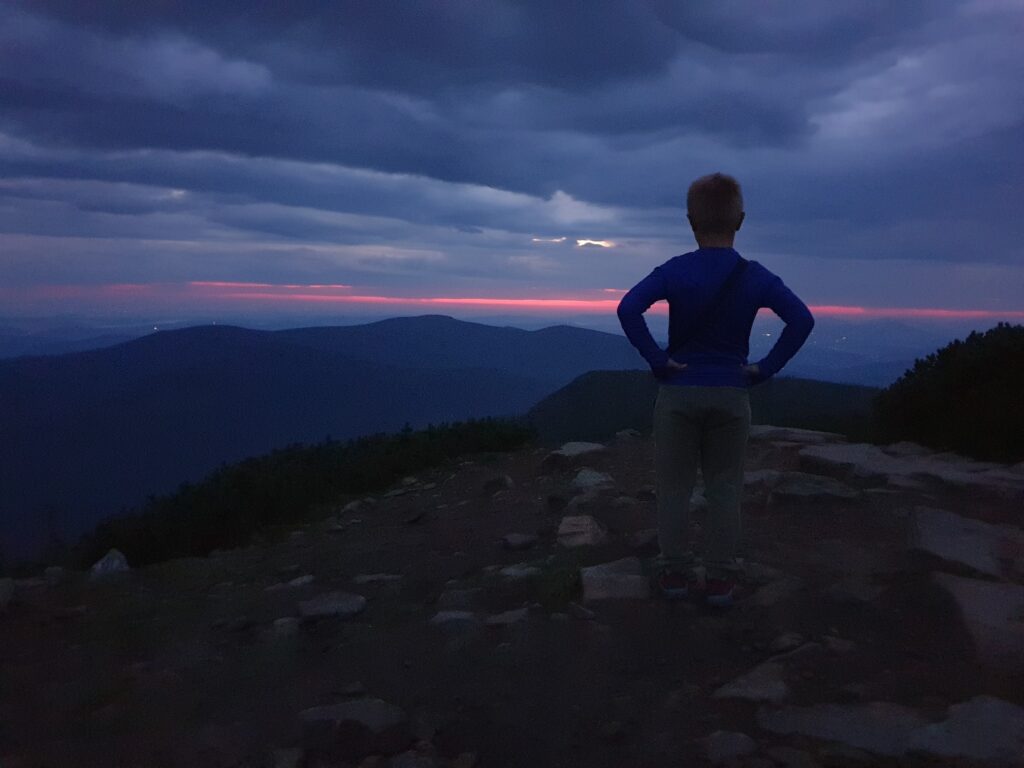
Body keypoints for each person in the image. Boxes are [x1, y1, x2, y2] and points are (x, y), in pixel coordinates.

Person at [617, 173, 814, 606]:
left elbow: (628, 308)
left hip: (678, 393)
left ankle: (674, 576)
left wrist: (656, 358)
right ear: (740, 220)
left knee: (674, 488)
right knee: (724, 487)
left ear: (690, 221)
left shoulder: (675, 270)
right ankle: (721, 579)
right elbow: (802, 321)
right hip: (731, 393)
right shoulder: (756, 277)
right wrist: (764, 369)